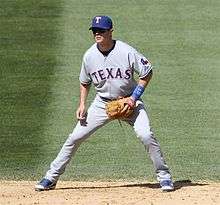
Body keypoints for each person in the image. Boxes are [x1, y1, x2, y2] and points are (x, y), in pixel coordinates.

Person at [35, 15, 174, 192]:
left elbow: (147, 72)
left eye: (101, 30)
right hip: (102, 104)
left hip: (129, 101)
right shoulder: (89, 55)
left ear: (110, 31)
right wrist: (82, 104)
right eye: (94, 30)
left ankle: (165, 177)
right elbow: (85, 82)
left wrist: (133, 98)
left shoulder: (126, 51)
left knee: (146, 135)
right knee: (75, 137)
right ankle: (51, 177)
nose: (97, 33)